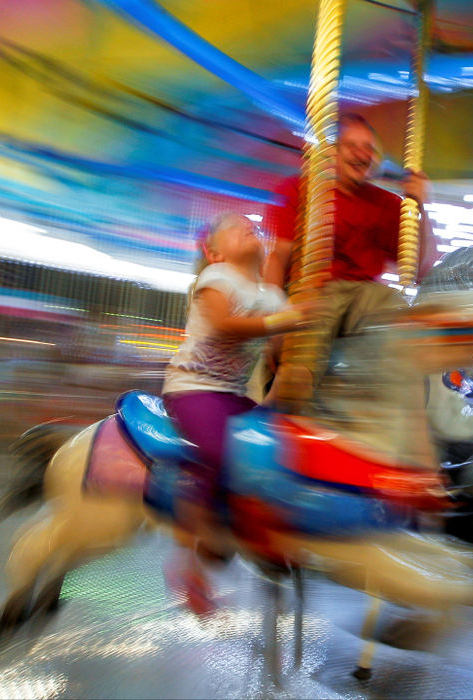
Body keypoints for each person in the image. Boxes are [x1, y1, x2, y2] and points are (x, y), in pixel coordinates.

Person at [161, 212, 313, 615]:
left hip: (233, 395)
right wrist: (285, 320)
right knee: (213, 450)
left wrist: (302, 340)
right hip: (194, 388)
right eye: (235, 227)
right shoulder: (217, 278)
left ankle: (261, 531)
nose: (250, 227)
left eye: (254, 226)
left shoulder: (271, 295)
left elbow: (279, 349)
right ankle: (187, 558)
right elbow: (226, 325)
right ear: (213, 252)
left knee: (275, 449)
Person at [262, 112, 437, 408]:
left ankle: (411, 407)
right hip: (316, 290)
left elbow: (423, 269)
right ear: (332, 151)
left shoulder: (388, 205)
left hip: (365, 297)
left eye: (368, 148)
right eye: (352, 146)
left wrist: (422, 207)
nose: (362, 154)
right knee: (311, 322)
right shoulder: (299, 190)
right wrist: (272, 319)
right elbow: (280, 256)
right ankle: (281, 411)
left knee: (397, 311)